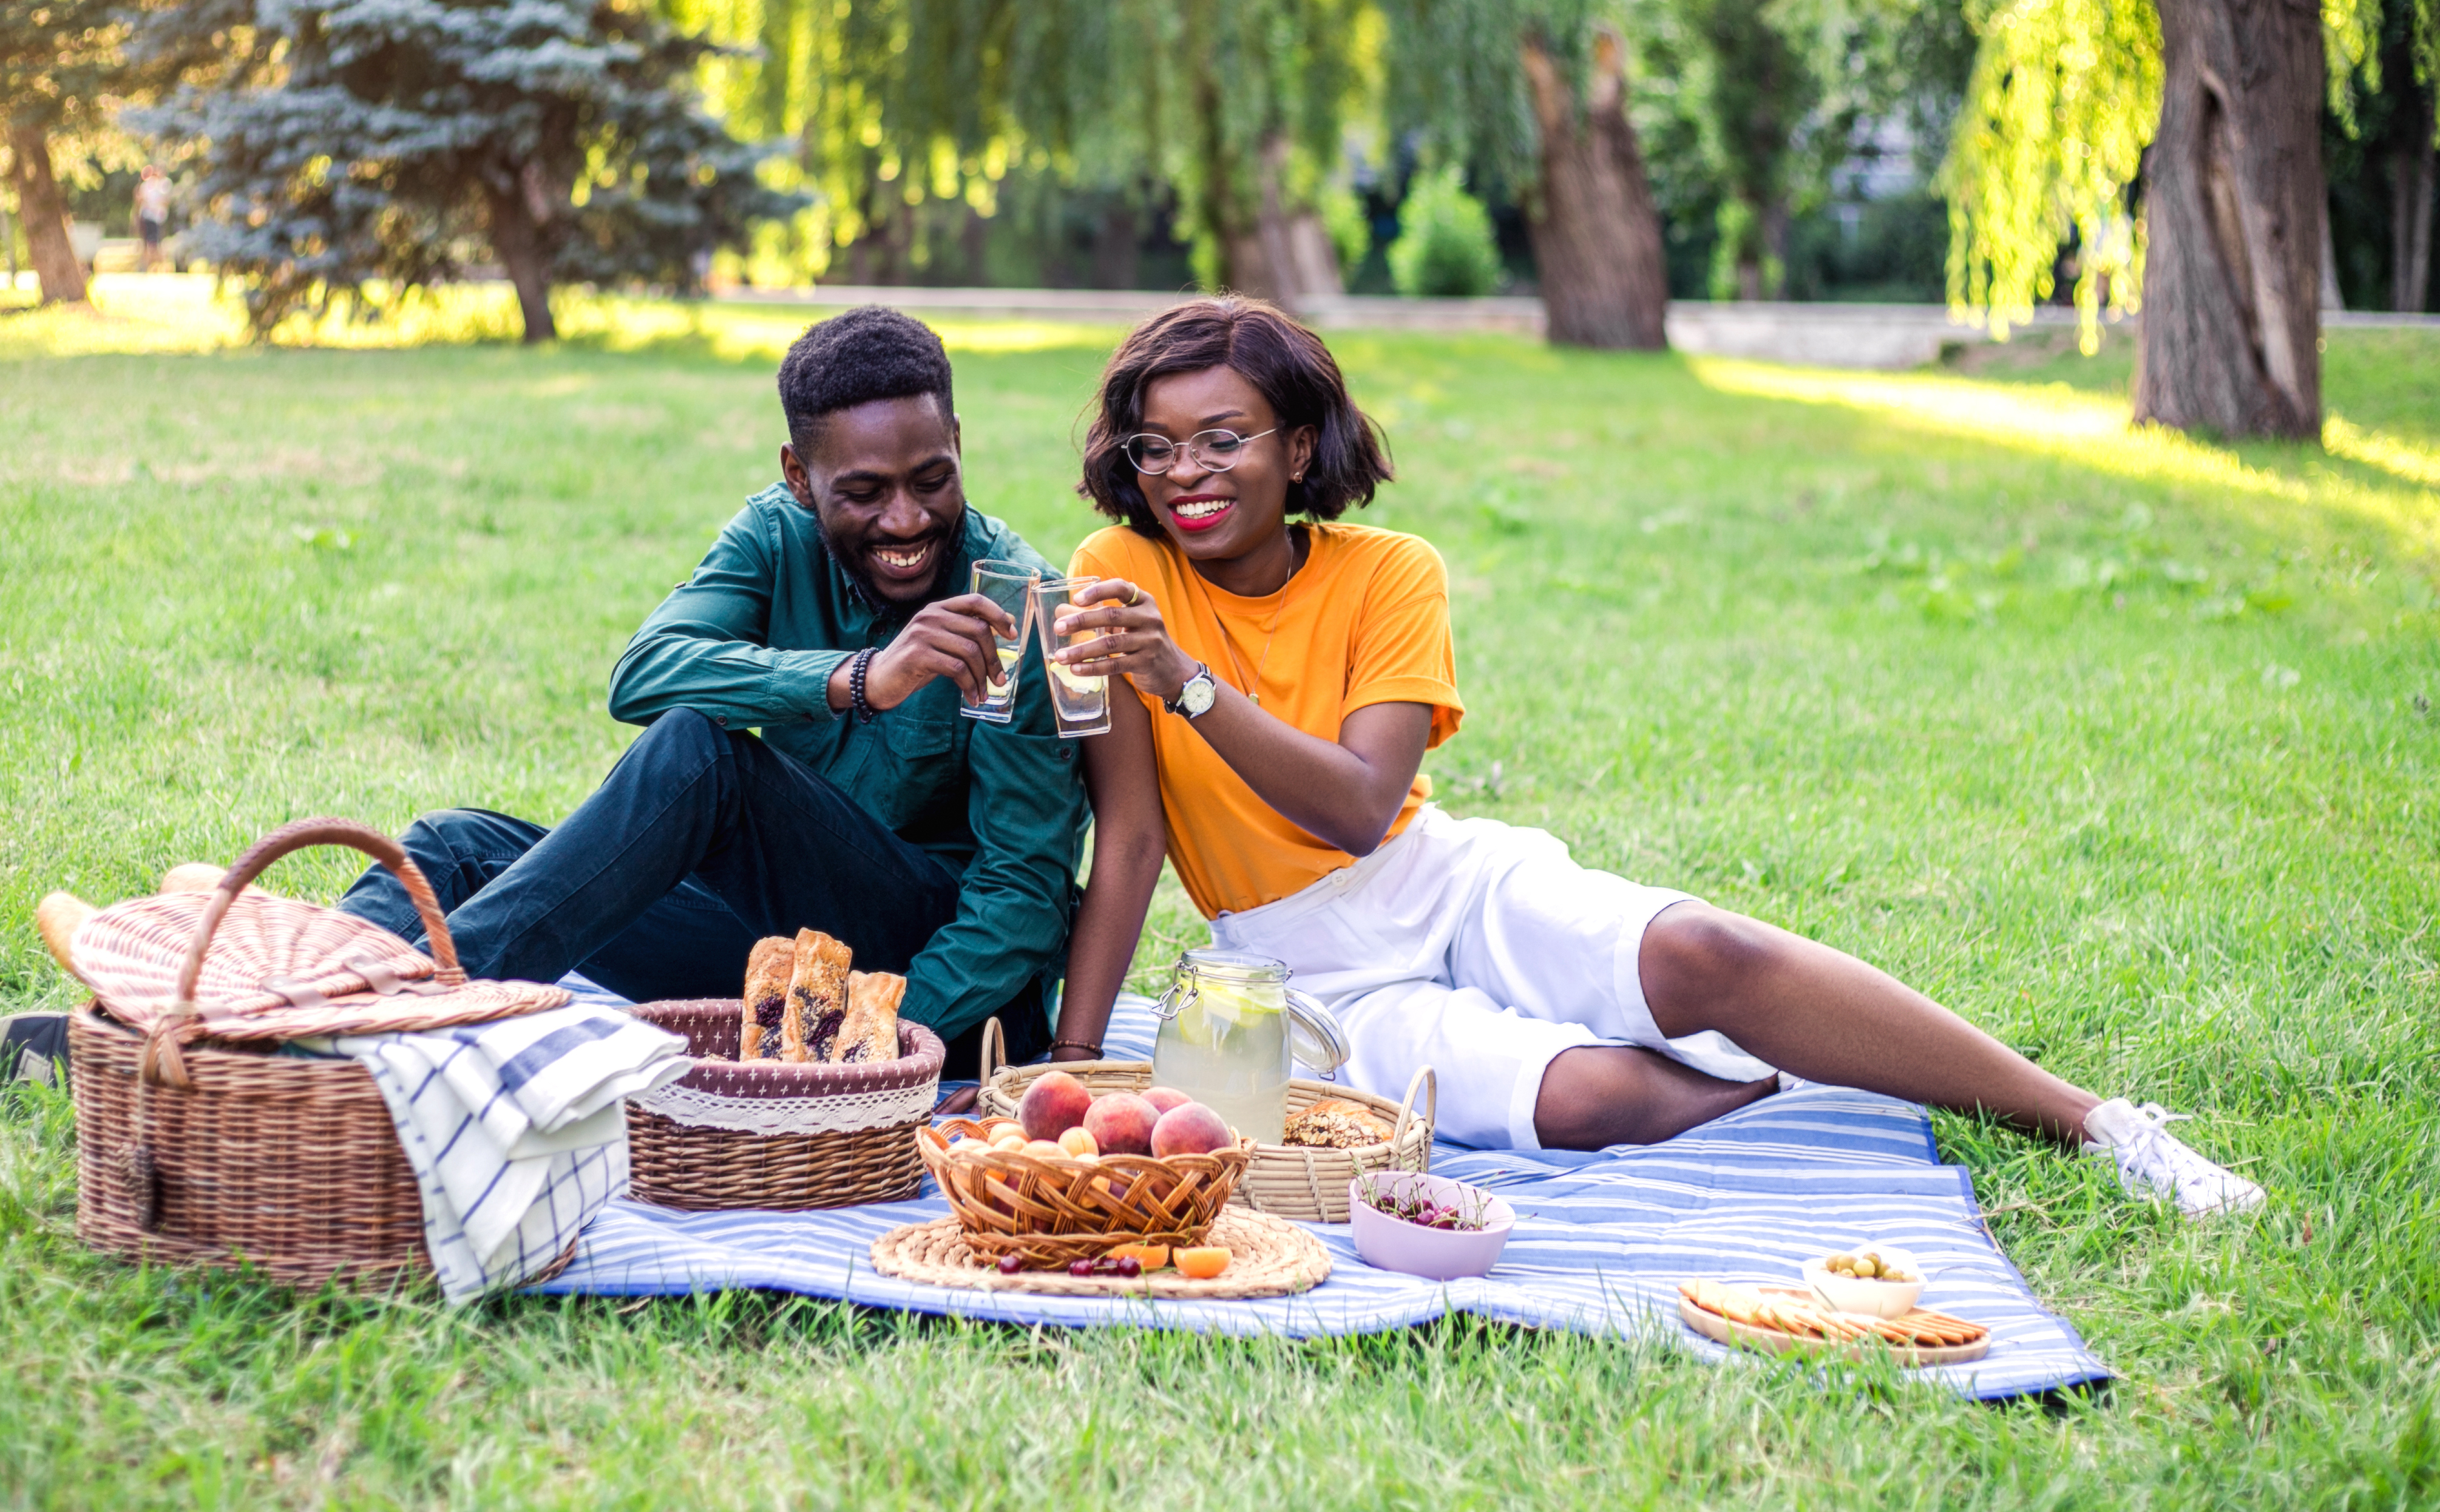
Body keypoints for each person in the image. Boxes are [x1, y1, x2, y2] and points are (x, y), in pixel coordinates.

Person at [1046, 296, 2265, 1217]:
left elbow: (1364, 807)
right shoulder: (1119, 573)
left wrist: (1187, 681)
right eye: (1155, 450)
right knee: (1589, 1102)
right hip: (1302, 965)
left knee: (1706, 950)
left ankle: (2097, 1123)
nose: (1186, 475)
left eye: (1223, 438)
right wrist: (1064, 1070)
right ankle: (1800, 1084)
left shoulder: (1389, 571)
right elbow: (1135, 836)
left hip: (1435, 874)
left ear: (1299, 448)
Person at [336, 306, 1087, 1073]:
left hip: (940, 992)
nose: (905, 518)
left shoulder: (1020, 606)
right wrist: (856, 679)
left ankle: (427, 1012)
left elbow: (1022, 898)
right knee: (450, 851)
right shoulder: (773, 535)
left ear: (957, 444)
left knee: (703, 754)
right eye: (864, 492)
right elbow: (646, 673)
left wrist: (866, 1042)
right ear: (799, 477)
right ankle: (282, 1023)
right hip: (790, 959)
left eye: (932, 479)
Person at [133, 165, 174, 271]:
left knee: (157, 244)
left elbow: (165, 201)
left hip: (158, 218)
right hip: (148, 217)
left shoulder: (164, 185)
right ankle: (148, 267)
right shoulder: (146, 186)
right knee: (149, 243)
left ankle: (159, 267)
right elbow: (140, 200)